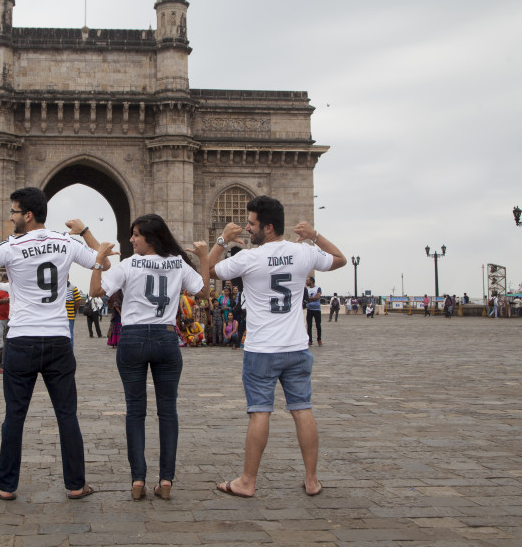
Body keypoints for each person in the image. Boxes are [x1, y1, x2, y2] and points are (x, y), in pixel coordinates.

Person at [0, 186, 105, 500]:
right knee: (67, 415)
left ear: (27, 215)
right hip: (58, 341)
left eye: (13, 212)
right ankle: (76, 484)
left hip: (22, 341)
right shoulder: (66, 242)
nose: (10, 217)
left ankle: (6, 486)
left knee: (15, 416)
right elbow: (101, 260)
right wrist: (86, 232)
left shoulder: (10, 246)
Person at [209, 195, 346, 498]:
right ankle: (312, 480)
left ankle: (247, 481)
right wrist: (315, 236)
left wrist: (221, 240)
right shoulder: (303, 252)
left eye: (251, 223)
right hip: (296, 346)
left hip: (261, 350)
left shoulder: (249, 257)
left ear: (268, 227)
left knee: (260, 413)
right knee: (302, 411)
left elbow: (208, 270)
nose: (247, 228)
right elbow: (340, 260)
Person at [89, 214, 208, 500]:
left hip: (132, 340)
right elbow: (203, 293)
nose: (131, 240)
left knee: (135, 411)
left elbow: (96, 291)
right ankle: (166, 480)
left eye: (135, 235)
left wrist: (98, 258)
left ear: (150, 238)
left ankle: (138, 480)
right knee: (168, 412)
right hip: (167, 338)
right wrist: (204, 258)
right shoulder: (178, 263)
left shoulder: (129, 265)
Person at [65, 281, 83, 348]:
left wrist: (74, 310)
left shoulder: (73, 288)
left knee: (70, 335)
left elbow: (78, 301)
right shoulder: (58, 287)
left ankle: (70, 351)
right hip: (59, 316)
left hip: (69, 316)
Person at [305, 277, 322, 346]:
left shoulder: (318, 288)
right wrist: (312, 299)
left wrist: (309, 299)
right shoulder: (306, 289)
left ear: (311, 281)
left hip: (317, 309)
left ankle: (319, 339)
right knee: (309, 325)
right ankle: (310, 340)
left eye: (307, 280)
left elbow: (317, 297)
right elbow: (305, 298)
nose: (306, 282)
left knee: (318, 325)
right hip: (309, 309)